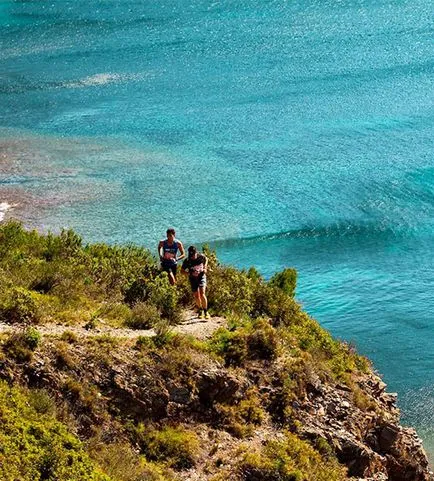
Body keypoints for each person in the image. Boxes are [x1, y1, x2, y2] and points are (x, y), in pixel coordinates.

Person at [182, 245, 210, 319]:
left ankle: (206, 311)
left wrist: (205, 268)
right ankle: (200, 310)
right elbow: (182, 271)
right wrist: (190, 273)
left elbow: (206, 259)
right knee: (196, 296)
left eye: (193, 254)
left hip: (201, 277)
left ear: (196, 252)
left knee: (202, 293)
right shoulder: (187, 261)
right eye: (191, 255)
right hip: (193, 279)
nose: (193, 256)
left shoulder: (201, 256)